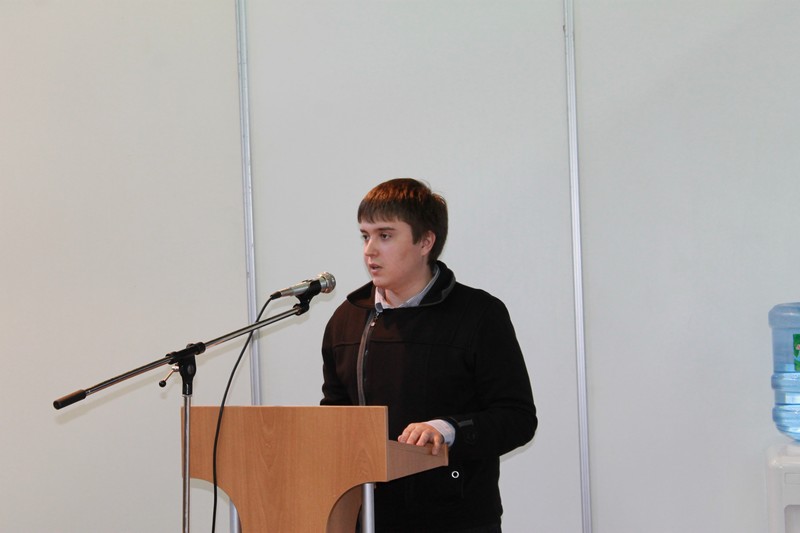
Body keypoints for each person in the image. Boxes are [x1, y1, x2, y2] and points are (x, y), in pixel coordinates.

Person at [321, 178, 537, 532]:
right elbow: (336, 415)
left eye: (385, 235)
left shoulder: (479, 315)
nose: (369, 250)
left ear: (425, 242)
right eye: (365, 236)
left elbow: (517, 418)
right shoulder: (348, 318)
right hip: (370, 517)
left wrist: (448, 429)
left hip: (457, 518)